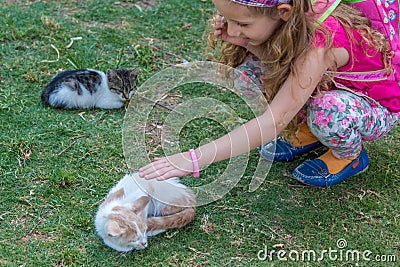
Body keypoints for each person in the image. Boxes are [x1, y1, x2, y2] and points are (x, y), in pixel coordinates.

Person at [139, 0, 400, 187]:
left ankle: (350, 156)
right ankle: (310, 133)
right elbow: (287, 67)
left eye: (241, 23)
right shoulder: (296, 15)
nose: (230, 30)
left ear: (282, 12)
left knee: (328, 112)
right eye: (227, 20)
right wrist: (244, 41)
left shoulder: (321, 41)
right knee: (251, 72)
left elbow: (273, 122)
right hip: (332, 83)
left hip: (373, 104)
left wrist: (194, 159)